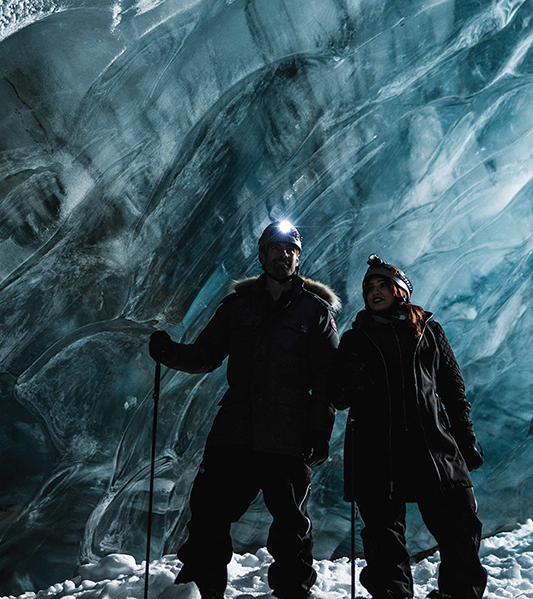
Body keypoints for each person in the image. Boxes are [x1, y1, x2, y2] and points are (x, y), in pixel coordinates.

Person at [149, 220, 340, 599]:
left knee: (290, 525)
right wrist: (171, 353)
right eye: (275, 249)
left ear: (298, 259)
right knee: (208, 515)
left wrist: (320, 431)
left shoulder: (315, 312)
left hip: (289, 434)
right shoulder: (237, 308)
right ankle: (203, 591)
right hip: (235, 430)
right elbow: (206, 355)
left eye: (290, 250)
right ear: (262, 255)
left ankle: (292, 592)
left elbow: (327, 378)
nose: (282, 255)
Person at [336, 254, 487, 599]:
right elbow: (337, 396)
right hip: (378, 452)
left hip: (432, 446)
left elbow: (452, 388)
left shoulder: (429, 330)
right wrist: (348, 380)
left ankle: (458, 594)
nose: (374, 293)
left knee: (461, 528)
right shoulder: (355, 338)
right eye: (369, 288)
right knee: (383, 540)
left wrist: (466, 439)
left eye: (381, 285)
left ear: (400, 289)